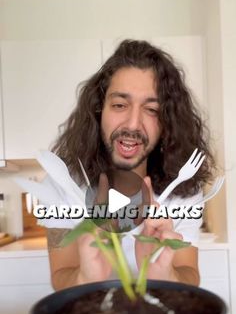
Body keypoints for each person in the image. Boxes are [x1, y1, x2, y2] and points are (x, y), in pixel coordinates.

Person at [46, 39, 216, 291]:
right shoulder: (60, 184)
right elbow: (61, 275)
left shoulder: (184, 189)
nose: (133, 124)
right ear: (98, 110)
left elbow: (190, 273)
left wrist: (166, 274)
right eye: (119, 105)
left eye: (152, 110)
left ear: (167, 123)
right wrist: (84, 277)